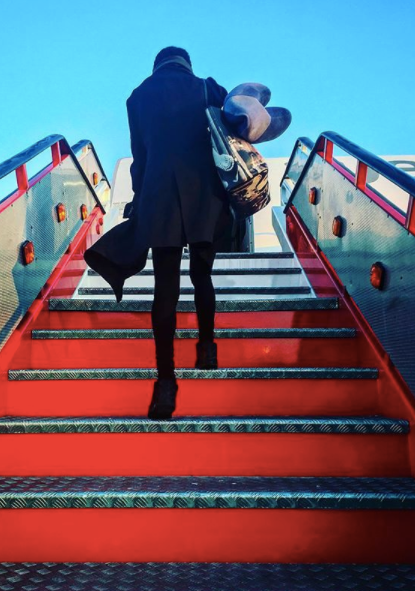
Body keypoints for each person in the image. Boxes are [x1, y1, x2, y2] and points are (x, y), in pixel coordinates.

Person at [125, 46, 231, 420]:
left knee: (164, 291)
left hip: (160, 196)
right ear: (187, 64)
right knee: (202, 274)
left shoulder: (138, 97)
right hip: (204, 195)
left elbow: (140, 156)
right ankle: (207, 349)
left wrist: (139, 200)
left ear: (156, 66)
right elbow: (236, 127)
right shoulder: (207, 87)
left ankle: (166, 384)